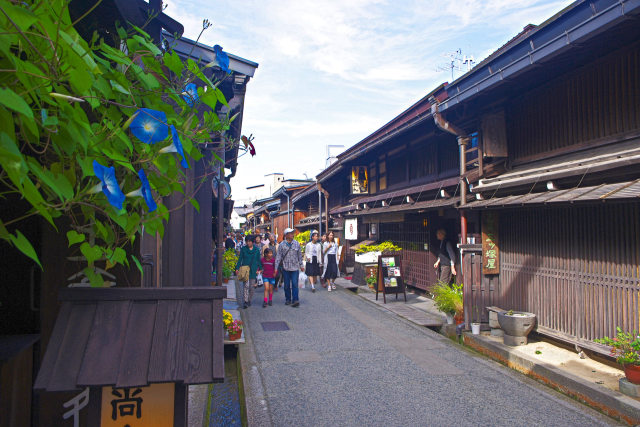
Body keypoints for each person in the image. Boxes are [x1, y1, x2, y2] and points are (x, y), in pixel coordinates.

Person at [274, 228, 304, 307]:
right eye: (290, 233)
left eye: (292, 233)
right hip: (285, 268)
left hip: (295, 268)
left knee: (294, 284)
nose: (292, 235)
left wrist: (301, 265)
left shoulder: (296, 244)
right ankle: (288, 299)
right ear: (286, 235)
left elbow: (299, 256)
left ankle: (295, 299)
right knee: (286, 285)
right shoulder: (281, 245)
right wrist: (275, 268)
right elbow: (278, 257)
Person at [235, 235, 262, 309]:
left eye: (249, 241)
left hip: (253, 270)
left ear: (252, 242)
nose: (248, 243)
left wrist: (261, 268)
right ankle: (245, 301)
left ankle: (249, 299)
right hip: (245, 270)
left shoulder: (256, 250)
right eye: (247, 241)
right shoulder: (243, 249)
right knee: (246, 286)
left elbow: (258, 260)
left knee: (252, 287)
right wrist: (237, 268)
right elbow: (240, 259)